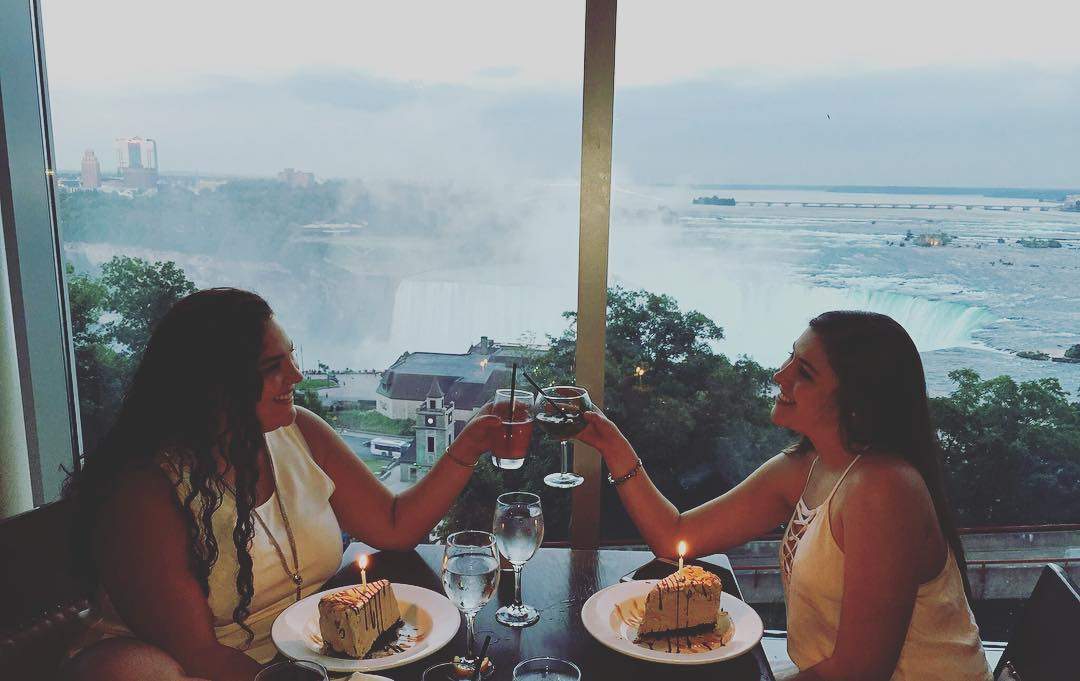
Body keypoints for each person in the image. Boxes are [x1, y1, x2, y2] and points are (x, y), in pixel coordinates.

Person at [63, 288, 503, 681]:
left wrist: (468, 446)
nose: (296, 375)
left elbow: (394, 525)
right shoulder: (144, 493)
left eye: (291, 356)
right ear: (214, 385)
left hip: (312, 663)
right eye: (273, 366)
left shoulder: (300, 431)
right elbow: (199, 655)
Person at [577, 310, 992, 681]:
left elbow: (859, 672)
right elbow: (675, 535)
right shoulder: (808, 466)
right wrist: (613, 445)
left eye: (804, 372)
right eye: (790, 357)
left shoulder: (884, 489)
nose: (780, 375)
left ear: (855, 401)